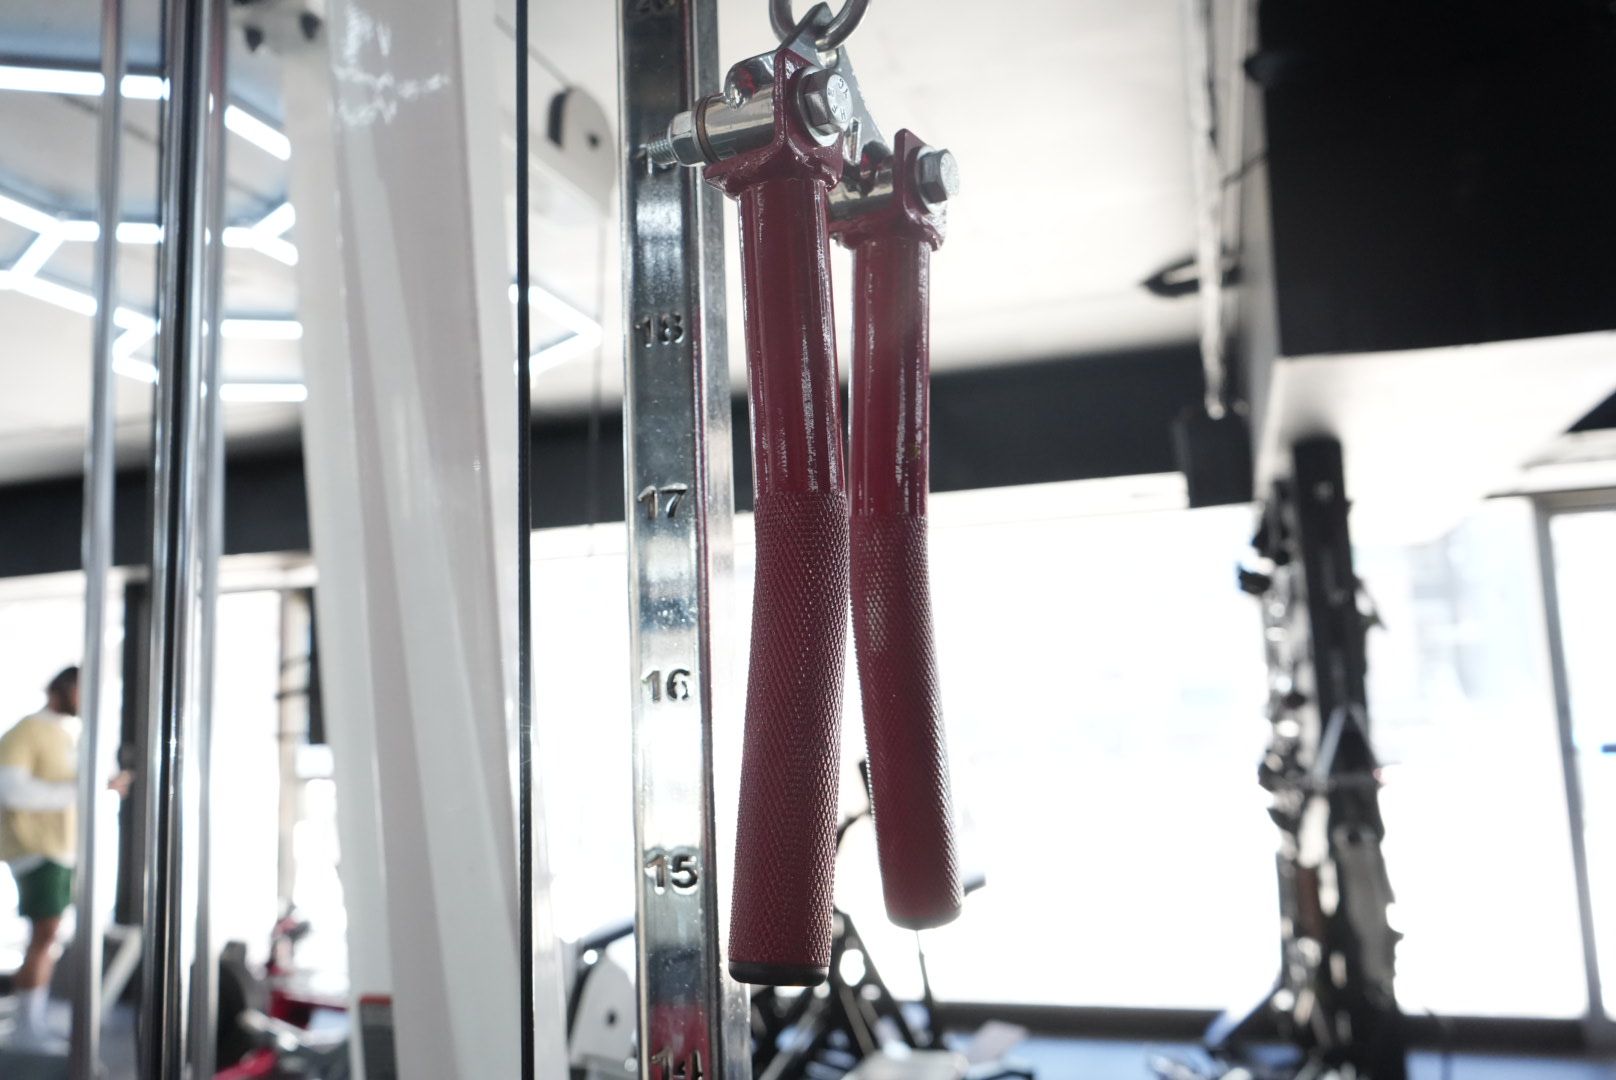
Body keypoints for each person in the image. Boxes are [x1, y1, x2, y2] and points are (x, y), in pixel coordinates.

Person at [0, 666, 81, 1053]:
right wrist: (75, 790)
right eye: (80, 690)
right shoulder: (25, 732)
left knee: (48, 936)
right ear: (60, 690)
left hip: (58, 849)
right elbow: (12, 792)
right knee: (44, 934)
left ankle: (32, 1022)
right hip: (33, 849)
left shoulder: (63, 735)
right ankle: (26, 1027)